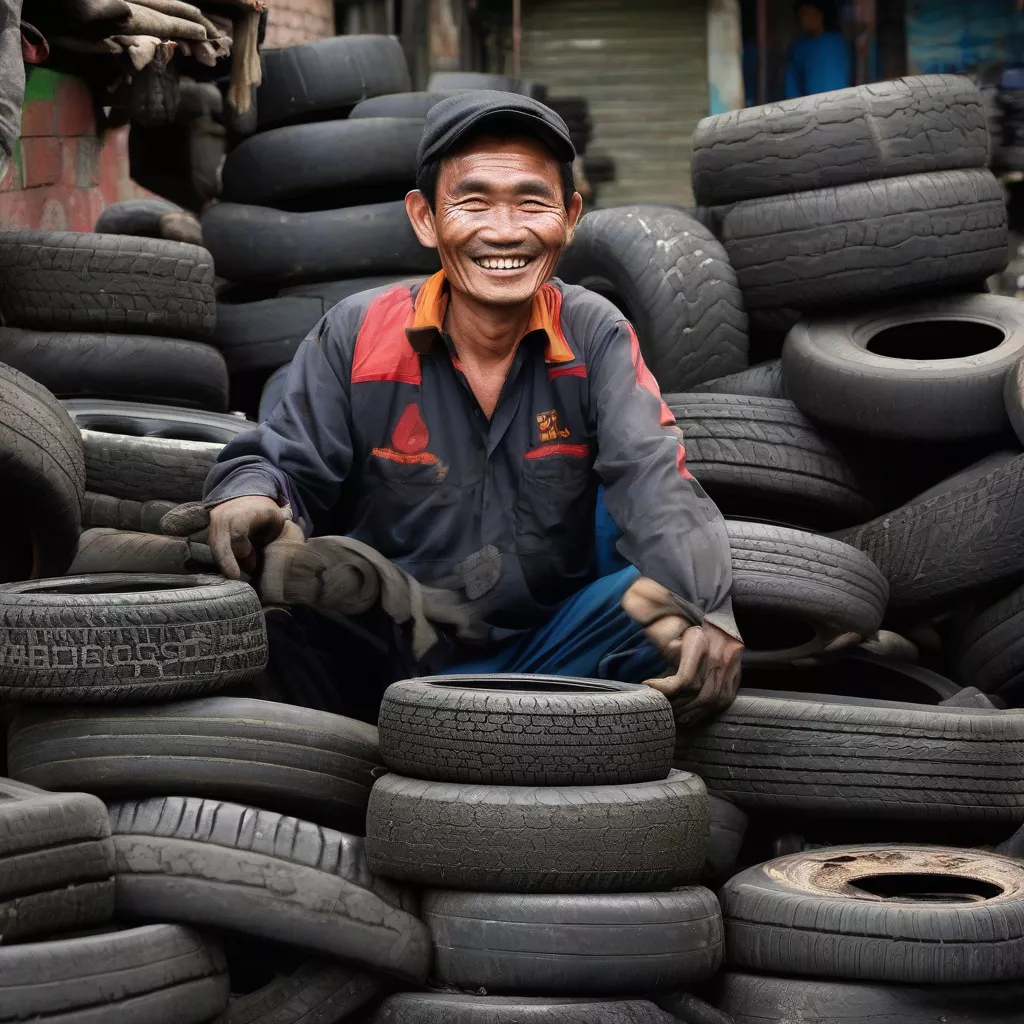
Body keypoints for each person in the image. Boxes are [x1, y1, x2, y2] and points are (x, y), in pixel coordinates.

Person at [203, 91, 743, 726]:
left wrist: (706, 603)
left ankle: (534, 752)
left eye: (532, 202)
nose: (505, 231)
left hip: (549, 655)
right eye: (474, 202)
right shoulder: (360, 331)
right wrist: (251, 493)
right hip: (381, 660)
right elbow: (284, 461)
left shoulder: (594, 333)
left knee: (672, 612)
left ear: (569, 218)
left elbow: (654, 477)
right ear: (426, 219)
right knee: (259, 611)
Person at [785, 1, 852, 99]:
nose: (803, 19)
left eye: (807, 14)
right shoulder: (798, 48)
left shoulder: (839, 43)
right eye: (801, 15)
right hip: (811, 106)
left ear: (820, 15)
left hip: (842, 103)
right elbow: (791, 86)